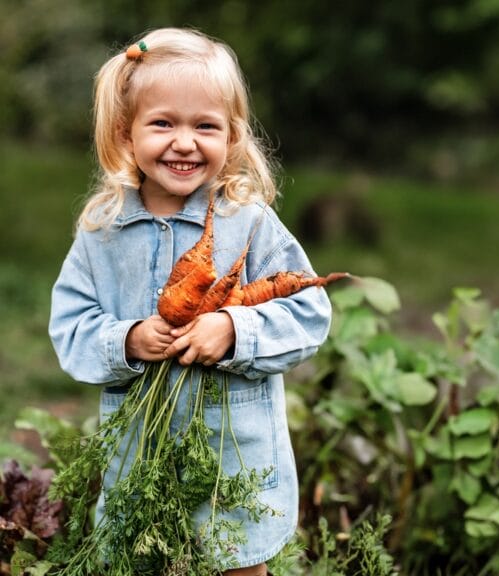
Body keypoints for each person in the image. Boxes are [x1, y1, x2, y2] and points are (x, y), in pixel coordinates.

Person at [48, 27, 332, 576]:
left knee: (237, 562)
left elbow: (309, 311)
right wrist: (127, 339)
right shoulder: (101, 232)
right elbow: (71, 325)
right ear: (125, 135)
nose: (185, 142)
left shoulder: (248, 222)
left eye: (205, 126)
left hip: (234, 457)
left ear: (232, 136)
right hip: (141, 455)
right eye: (163, 124)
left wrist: (233, 328)